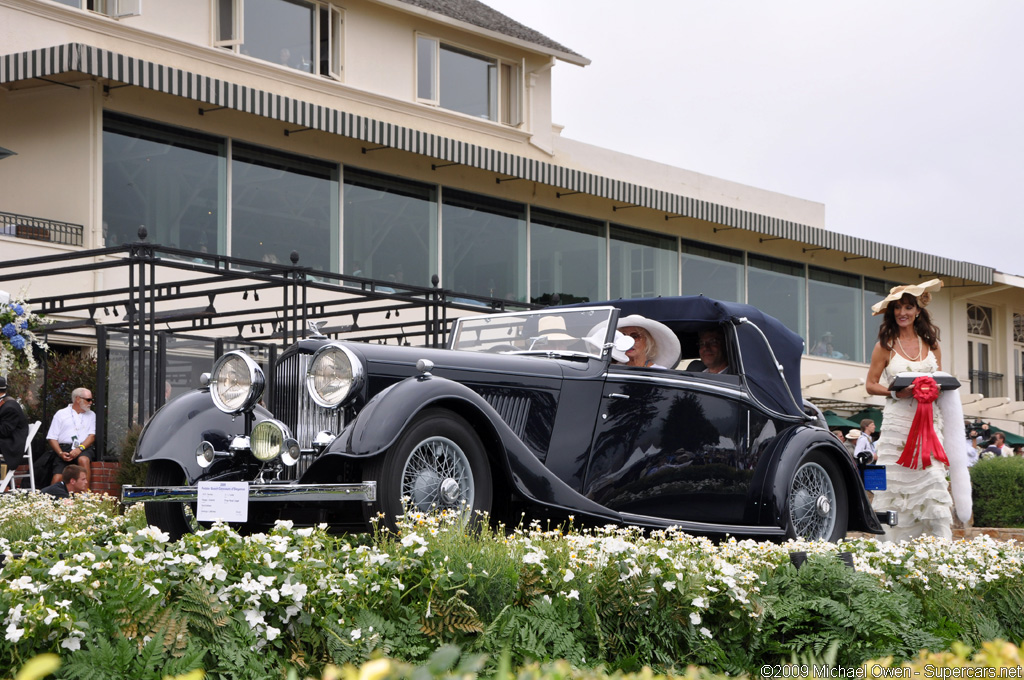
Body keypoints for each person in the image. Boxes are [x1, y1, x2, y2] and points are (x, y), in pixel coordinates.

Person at [865, 279, 971, 541]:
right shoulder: (885, 346)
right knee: (894, 488)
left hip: (929, 426)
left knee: (933, 479)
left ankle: (937, 549)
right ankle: (891, 549)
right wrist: (894, 392)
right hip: (897, 426)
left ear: (917, 310)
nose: (903, 312)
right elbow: (870, 385)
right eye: (898, 308)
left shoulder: (931, 344)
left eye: (908, 307)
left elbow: (939, 381)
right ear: (892, 312)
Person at [44, 387, 97, 487]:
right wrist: (60, 453)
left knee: (83, 460)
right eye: (88, 400)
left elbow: (92, 436)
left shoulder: (91, 415)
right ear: (78, 399)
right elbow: (52, 437)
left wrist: (79, 449)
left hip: (83, 447)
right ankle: (50, 500)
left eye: (91, 400)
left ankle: (85, 494)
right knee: (57, 478)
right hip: (64, 448)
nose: (91, 403)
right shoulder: (61, 414)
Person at [616, 315, 681, 369]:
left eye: (635, 336)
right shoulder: (613, 370)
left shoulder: (659, 372)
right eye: (623, 336)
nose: (627, 341)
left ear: (647, 341)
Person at [0, 376, 30, 485]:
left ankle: (3, 485)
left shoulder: (10, 406)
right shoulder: (4, 403)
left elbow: (4, 431)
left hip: (11, 443)